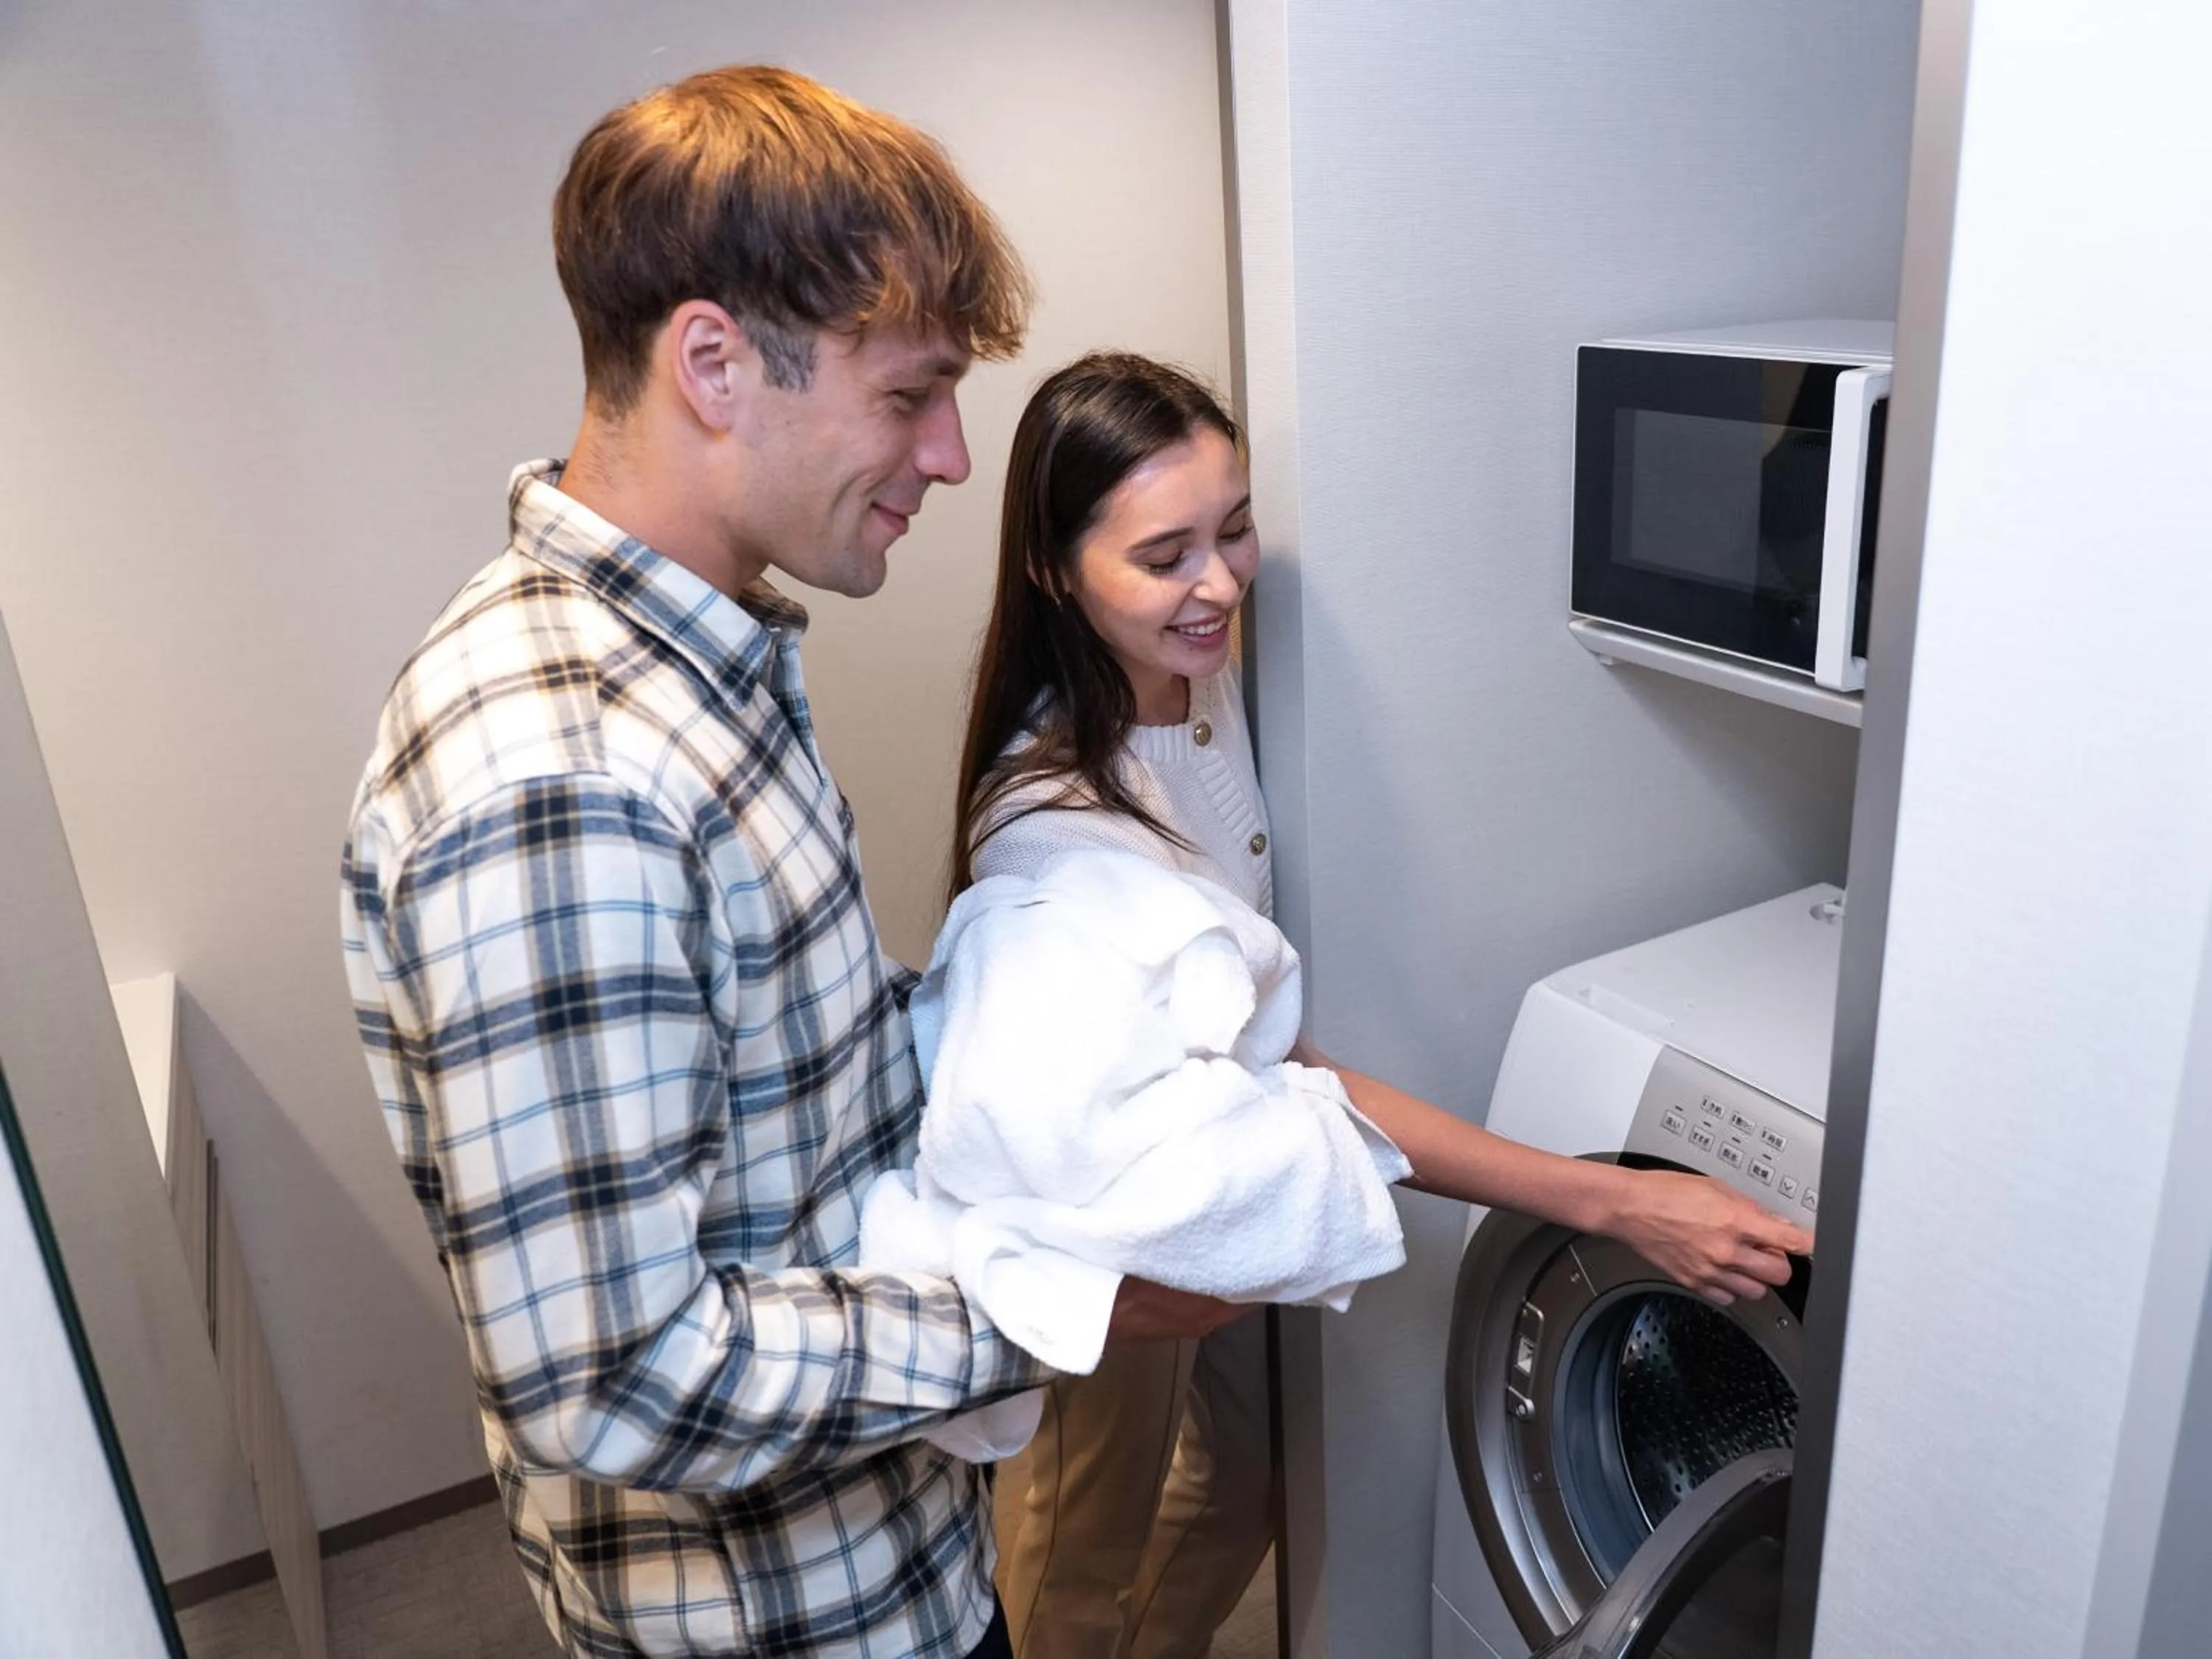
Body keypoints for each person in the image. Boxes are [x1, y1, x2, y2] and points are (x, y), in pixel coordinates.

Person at [338, 71, 1237, 1659]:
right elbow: (617, 1381)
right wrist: (1039, 1314)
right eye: (909, 397)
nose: (953, 456)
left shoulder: (705, 674)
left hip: (892, 1556)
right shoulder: (563, 777)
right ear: (714, 364)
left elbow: (784, 1077)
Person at [953, 352, 1815, 1659]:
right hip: (1108, 1222)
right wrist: (1618, 1198)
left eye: (1235, 527)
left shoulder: (1195, 671)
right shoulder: (1056, 835)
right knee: (1078, 1546)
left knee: (1249, 1470)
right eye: (1166, 553)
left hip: (1227, 1182)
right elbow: (1300, 1077)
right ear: (1055, 567)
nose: (1225, 580)